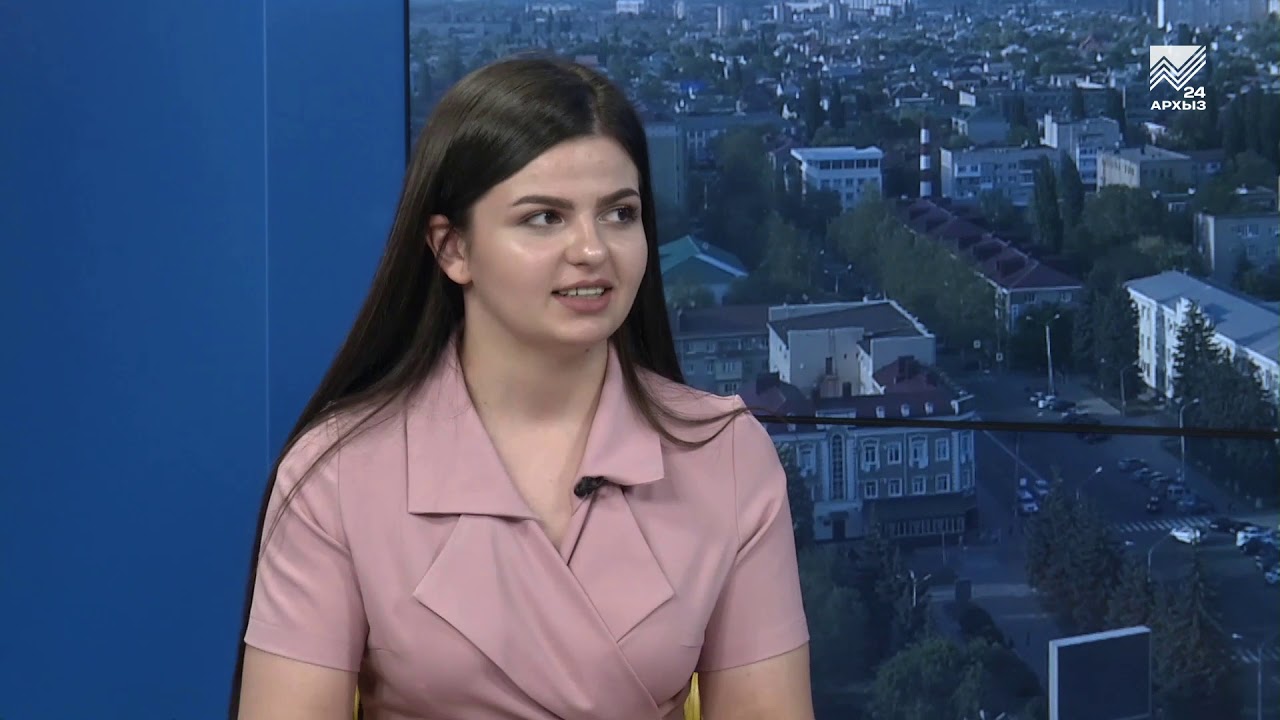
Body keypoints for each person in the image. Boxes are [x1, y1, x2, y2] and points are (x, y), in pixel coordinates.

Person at [230, 56, 814, 720]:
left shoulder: (727, 456)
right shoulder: (336, 476)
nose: (592, 250)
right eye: (545, 218)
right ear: (452, 249)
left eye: (619, 214)